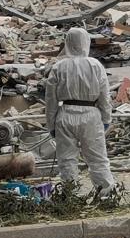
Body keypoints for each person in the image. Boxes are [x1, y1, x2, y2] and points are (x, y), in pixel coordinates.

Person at [44, 28, 115, 194]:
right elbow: (105, 97)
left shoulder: (58, 67)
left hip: (65, 114)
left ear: (67, 43)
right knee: (97, 159)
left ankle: (72, 196)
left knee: (67, 160)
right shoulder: (96, 66)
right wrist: (106, 119)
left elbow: (51, 101)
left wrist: (51, 125)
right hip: (91, 115)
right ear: (86, 42)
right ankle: (107, 194)